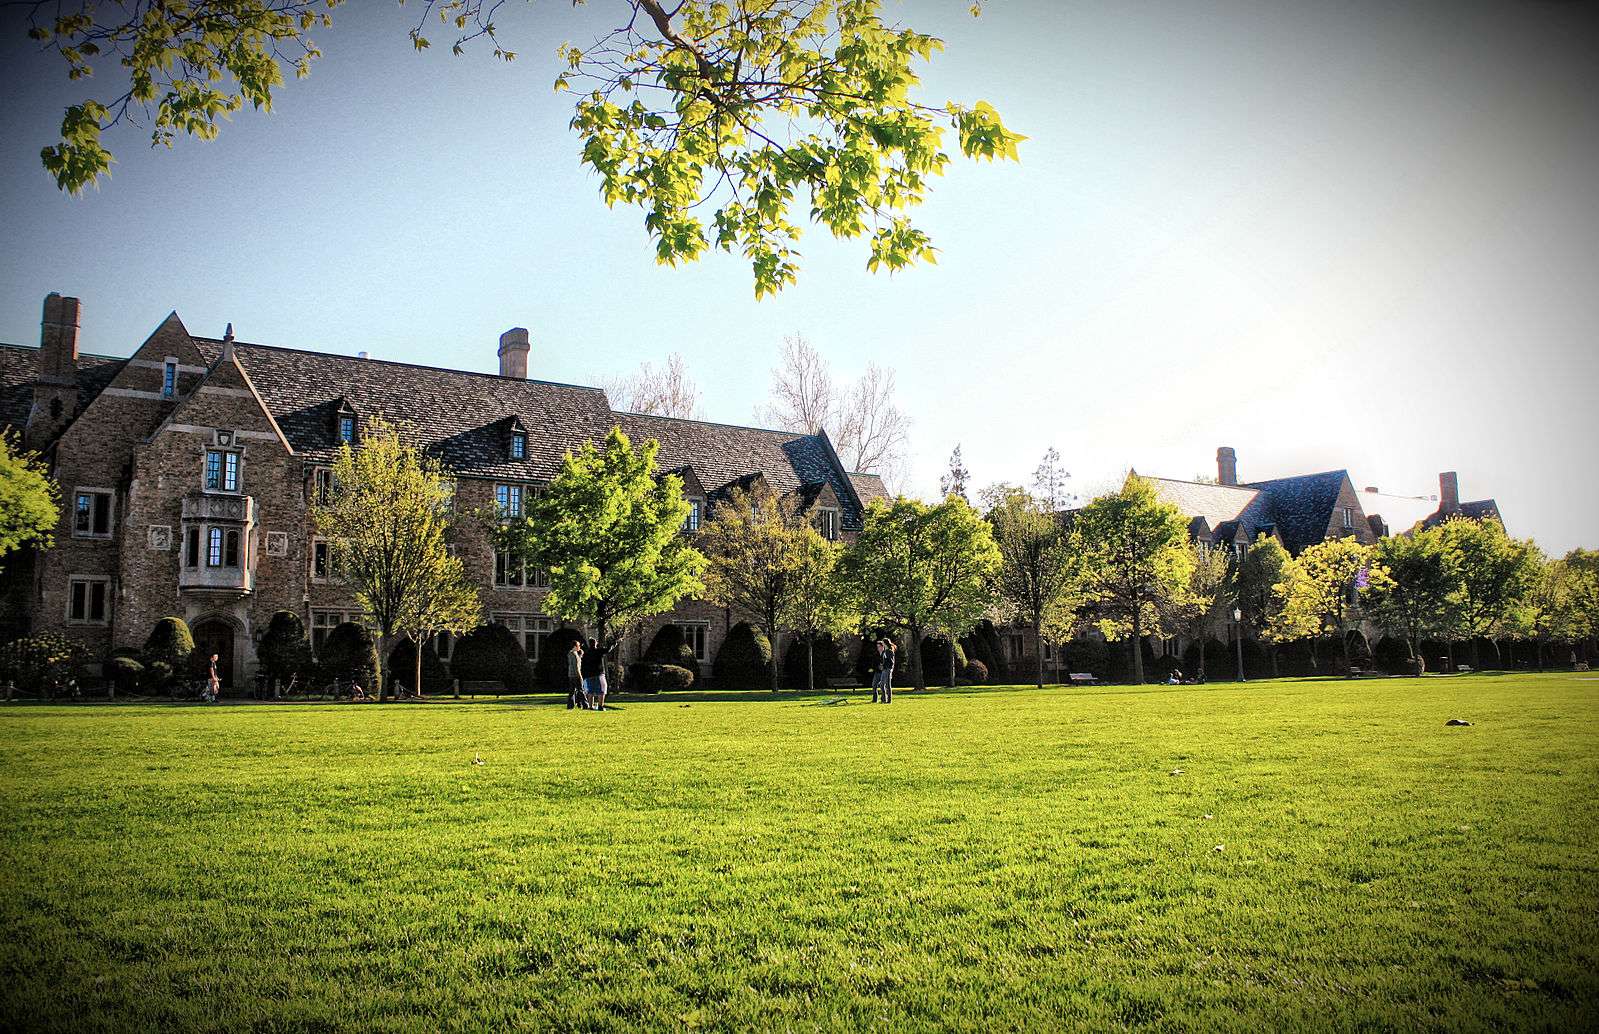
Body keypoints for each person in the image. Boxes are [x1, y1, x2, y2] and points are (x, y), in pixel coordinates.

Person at [581, 637, 611, 710]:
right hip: (598, 673)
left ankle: (590, 706)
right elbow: (608, 649)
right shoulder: (598, 651)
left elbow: (583, 664)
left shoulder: (586, 653)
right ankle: (600, 706)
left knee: (590, 691)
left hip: (589, 674)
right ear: (596, 643)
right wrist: (612, 643)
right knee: (602, 690)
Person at [566, 639, 585, 710]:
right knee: (581, 690)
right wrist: (580, 676)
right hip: (576, 675)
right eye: (578, 645)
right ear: (575, 646)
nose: (579, 647)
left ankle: (570, 705)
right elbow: (576, 666)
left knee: (572, 691)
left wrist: (580, 655)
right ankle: (585, 704)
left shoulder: (570, 653)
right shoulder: (574, 654)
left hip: (570, 675)